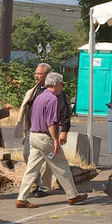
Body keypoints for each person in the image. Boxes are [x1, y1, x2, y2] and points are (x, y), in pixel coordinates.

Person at [18, 72, 87, 207]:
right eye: (61, 84)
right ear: (56, 84)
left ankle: (21, 197)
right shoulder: (52, 99)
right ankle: (72, 195)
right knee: (61, 165)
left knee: (32, 168)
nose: (61, 87)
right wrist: (55, 140)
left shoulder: (40, 96)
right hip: (45, 137)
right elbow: (51, 123)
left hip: (34, 135)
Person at [13, 63, 71, 204]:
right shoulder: (36, 92)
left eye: (40, 74)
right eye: (36, 73)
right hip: (36, 133)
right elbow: (49, 121)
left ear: (48, 76)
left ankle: (41, 189)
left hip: (43, 135)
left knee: (51, 162)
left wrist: (63, 131)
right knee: (34, 160)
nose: (37, 76)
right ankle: (72, 194)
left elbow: (63, 114)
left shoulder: (56, 94)